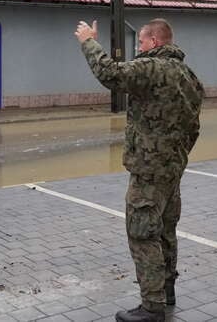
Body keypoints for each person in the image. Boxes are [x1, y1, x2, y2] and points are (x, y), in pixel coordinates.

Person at [74, 19, 204, 322]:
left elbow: (110, 74)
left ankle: (151, 306)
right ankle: (167, 289)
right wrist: (177, 156)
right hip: (172, 171)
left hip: (148, 172)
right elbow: (194, 127)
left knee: (142, 234)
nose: (139, 49)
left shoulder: (152, 68)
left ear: (155, 42)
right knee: (166, 232)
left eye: (141, 44)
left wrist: (88, 41)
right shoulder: (190, 77)